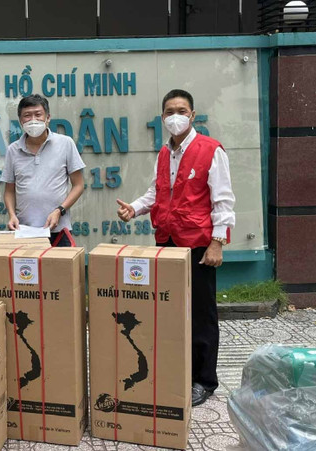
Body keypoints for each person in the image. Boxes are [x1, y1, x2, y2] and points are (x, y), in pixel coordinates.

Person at [116, 89, 235, 407]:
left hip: (197, 245)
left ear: (193, 115)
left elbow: (223, 199)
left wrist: (217, 243)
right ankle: (180, 370)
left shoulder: (211, 150)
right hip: (166, 242)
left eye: (181, 110)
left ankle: (205, 381)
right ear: (163, 117)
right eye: (169, 111)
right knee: (171, 311)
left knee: (201, 314)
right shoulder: (164, 154)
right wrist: (135, 209)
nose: (175, 116)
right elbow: (156, 192)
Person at [0, 94, 86, 246]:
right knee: (26, 270)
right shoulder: (13, 150)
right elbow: (9, 190)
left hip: (59, 229)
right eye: (27, 115)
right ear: (20, 121)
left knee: (61, 270)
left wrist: (60, 210)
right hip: (25, 231)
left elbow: (78, 185)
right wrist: (12, 215)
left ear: (48, 118)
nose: (33, 119)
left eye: (38, 114)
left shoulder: (65, 143)